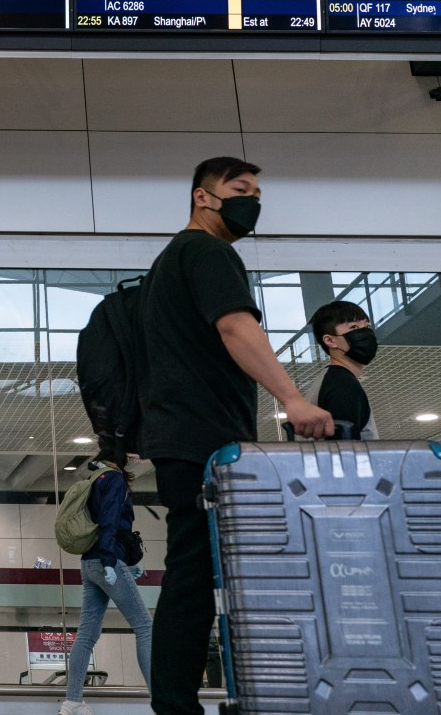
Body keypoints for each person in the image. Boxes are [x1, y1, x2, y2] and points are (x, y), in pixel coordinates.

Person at [140, 156, 333, 715]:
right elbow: (235, 325)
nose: (253, 200)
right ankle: (177, 705)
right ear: (203, 197)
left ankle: (181, 701)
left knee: (195, 574)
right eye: (240, 189)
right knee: (195, 575)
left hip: (184, 434)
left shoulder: (169, 260)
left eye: (257, 192)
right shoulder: (206, 252)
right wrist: (292, 399)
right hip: (203, 439)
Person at [59, 450, 152, 715]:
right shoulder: (114, 479)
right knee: (145, 626)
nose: (136, 456)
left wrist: (125, 560)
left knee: (87, 633)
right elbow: (110, 522)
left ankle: (72, 702)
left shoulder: (95, 478)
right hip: (106, 560)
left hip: (89, 563)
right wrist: (112, 561)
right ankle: (160, 701)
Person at [308, 300, 379, 439]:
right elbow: (344, 453)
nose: (366, 333)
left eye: (367, 326)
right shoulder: (343, 385)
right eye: (354, 327)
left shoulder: (330, 379)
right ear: (330, 340)